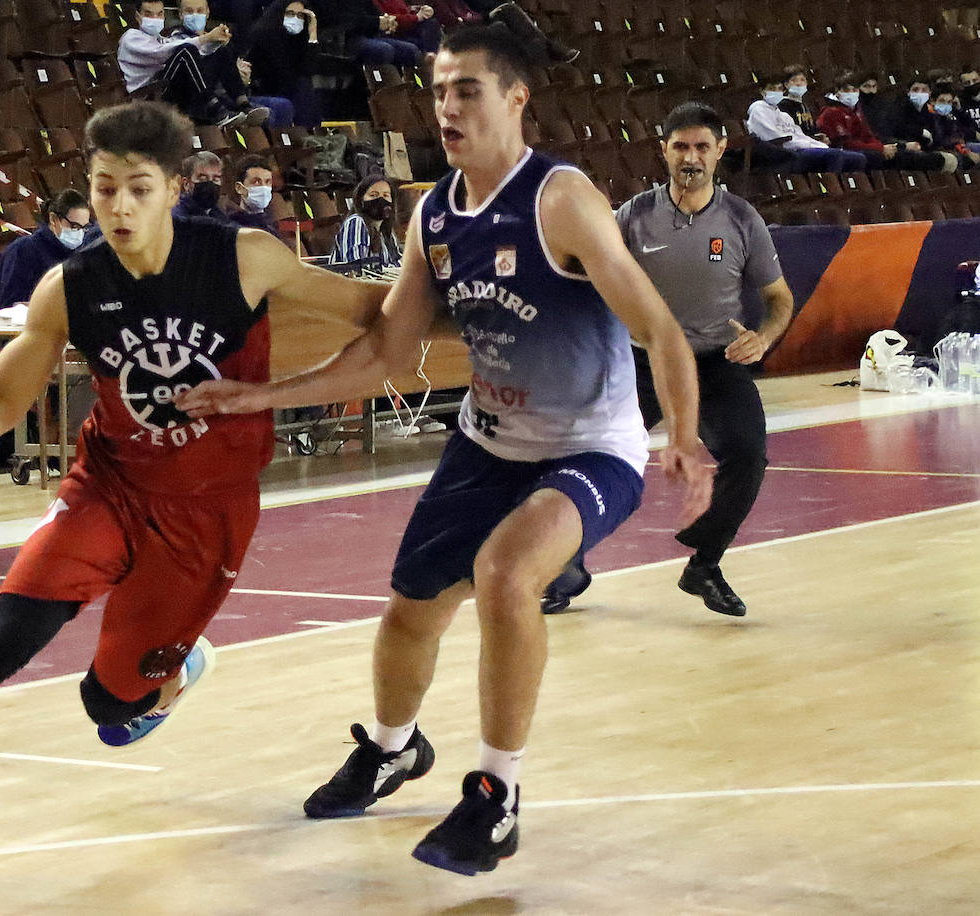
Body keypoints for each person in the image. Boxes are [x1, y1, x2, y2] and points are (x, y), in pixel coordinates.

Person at [0, 100, 391, 901]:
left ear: (172, 188)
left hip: (207, 511)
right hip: (109, 484)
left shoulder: (245, 258)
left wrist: (322, 374)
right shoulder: (70, 286)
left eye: (137, 188)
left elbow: (374, 313)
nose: (118, 208)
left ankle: (172, 667)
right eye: (103, 190)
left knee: (112, 705)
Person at [178, 25, 711, 875]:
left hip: (591, 447)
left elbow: (657, 325)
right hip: (485, 443)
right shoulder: (435, 212)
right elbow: (388, 352)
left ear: (515, 98)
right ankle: (394, 748)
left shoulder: (561, 198)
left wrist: (683, 435)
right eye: (438, 91)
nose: (449, 107)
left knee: (506, 575)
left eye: (467, 89)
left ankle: (496, 797)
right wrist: (261, 397)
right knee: (409, 612)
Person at [545, 102, 795, 619]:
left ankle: (704, 562)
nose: (691, 157)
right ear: (663, 150)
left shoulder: (742, 219)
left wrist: (765, 337)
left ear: (720, 151)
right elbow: (585, 274)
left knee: (748, 455)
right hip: (642, 361)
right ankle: (566, 565)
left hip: (714, 361)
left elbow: (779, 298)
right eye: (680, 146)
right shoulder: (633, 217)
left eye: (702, 146)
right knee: (591, 464)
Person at [118, 0, 268, 126]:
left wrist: (215, 41)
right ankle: (215, 109)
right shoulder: (131, 37)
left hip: (171, 89)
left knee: (219, 50)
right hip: (149, 96)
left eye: (159, 14)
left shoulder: (161, 39)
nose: (155, 18)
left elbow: (201, 52)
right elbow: (161, 53)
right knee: (186, 51)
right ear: (138, 16)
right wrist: (207, 38)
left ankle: (244, 104)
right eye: (149, 14)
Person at [817, 72, 951, 172]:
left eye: (854, 90)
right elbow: (846, 143)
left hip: (872, 148)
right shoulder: (831, 112)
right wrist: (881, 148)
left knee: (917, 156)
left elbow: (869, 136)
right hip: (853, 150)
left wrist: (884, 147)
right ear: (836, 92)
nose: (851, 93)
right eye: (847, 90)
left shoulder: (855, 112)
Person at [0, 190, 94, 309]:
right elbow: (10, 306)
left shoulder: (81, 252)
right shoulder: (22, 251)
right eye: (74, 226)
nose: (80, 234)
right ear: (53, 219)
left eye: (84, 228)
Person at [746, 76, 868, 173]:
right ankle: (833, 191)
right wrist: (810, 146)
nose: (777, 92)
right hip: (785, 153)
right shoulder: (758, 109)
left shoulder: (784, 115)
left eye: (779, 89)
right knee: (835, 156)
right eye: (772, 89)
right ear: (762, 91)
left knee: (859, 158)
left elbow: (800, 135)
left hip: (802, 147)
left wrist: (818, 144)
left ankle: (850, 188)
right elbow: (774, 137)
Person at [244, 0, 323, 128]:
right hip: (264, 86)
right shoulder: (265, 34)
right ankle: (306, 135)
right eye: (290, 14)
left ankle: (308, 134)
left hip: (291, 87)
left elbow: (309, 69)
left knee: (304, 86)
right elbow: (280, 73)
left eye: (300, 15)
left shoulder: (301, 38)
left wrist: (312, 34)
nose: (295, 19)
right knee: (302, 86)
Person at [330, 174, 402, 267]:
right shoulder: (356, 223)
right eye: (373, 195)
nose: (380, 199)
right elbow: (356, 266)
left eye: (386, 195)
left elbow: (398, 262)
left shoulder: (386, 231)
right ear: (361, 200)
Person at [228, 154, 281, 234]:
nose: (264, 187)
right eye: (256, 182)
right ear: (239, 188)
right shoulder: (230, 228)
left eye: (267, 182)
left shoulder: (272, 229)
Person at [172, 151, 231, 221]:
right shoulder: (177, 216)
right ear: (186, 184)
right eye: (203, 179)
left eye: (216, 179)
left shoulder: (218, 214)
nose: (210, 183)